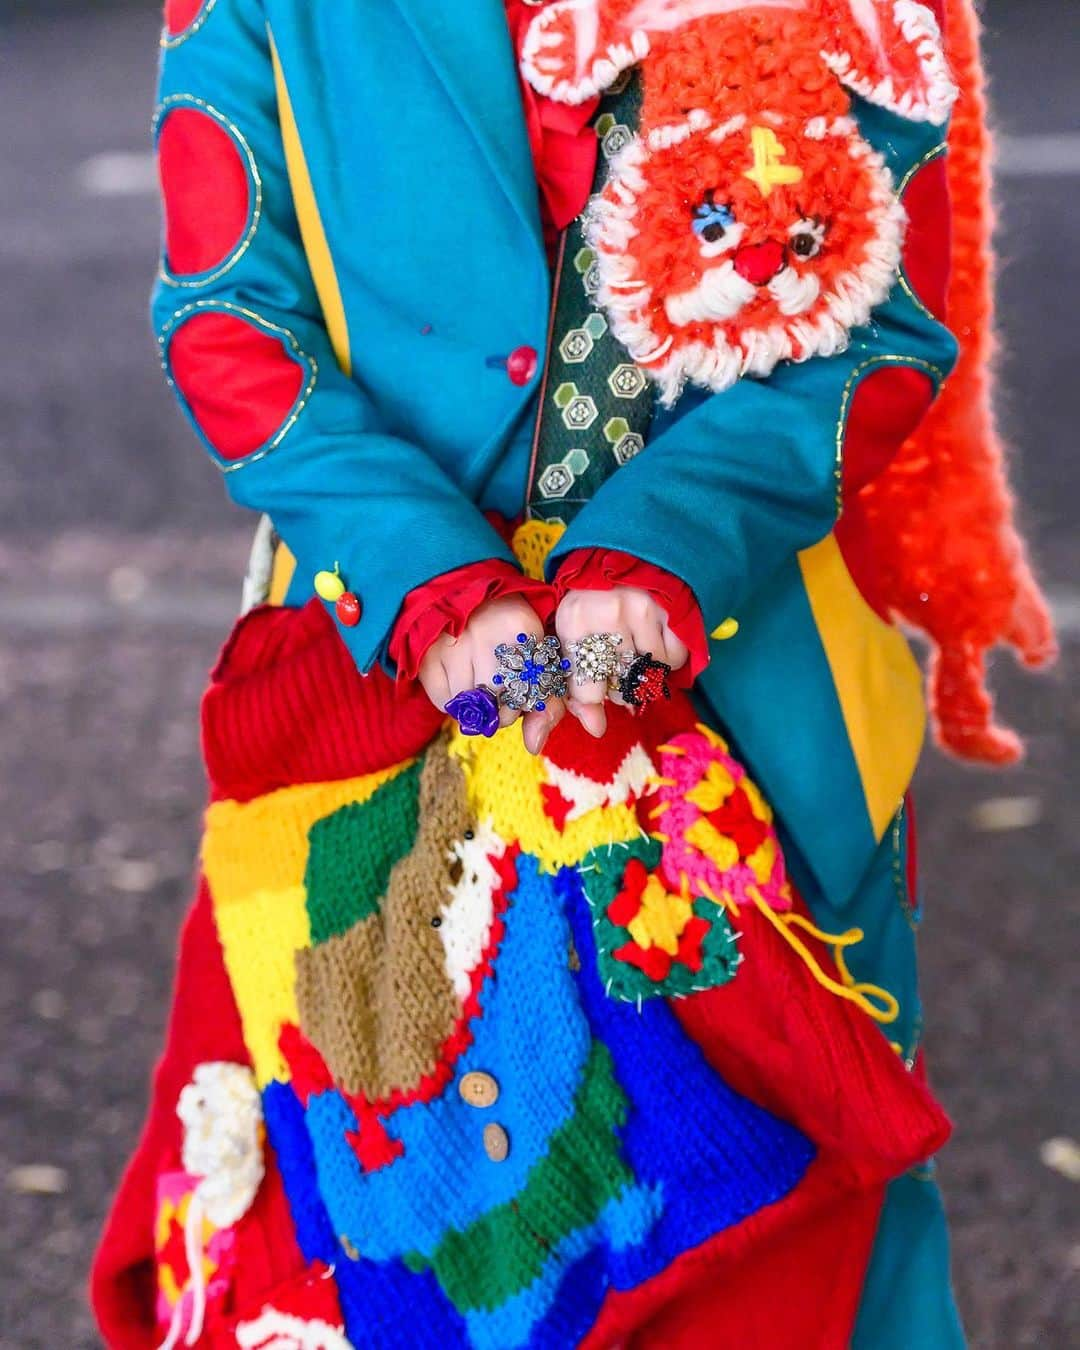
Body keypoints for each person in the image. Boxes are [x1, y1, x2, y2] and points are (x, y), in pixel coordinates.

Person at [92, 2, 1055, 1347]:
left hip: (756, 698)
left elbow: (881, 316)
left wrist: (665, 539)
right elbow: (230, 315)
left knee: (801, 1266)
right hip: (375, 698)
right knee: (386, 1260)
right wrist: (429, 574)